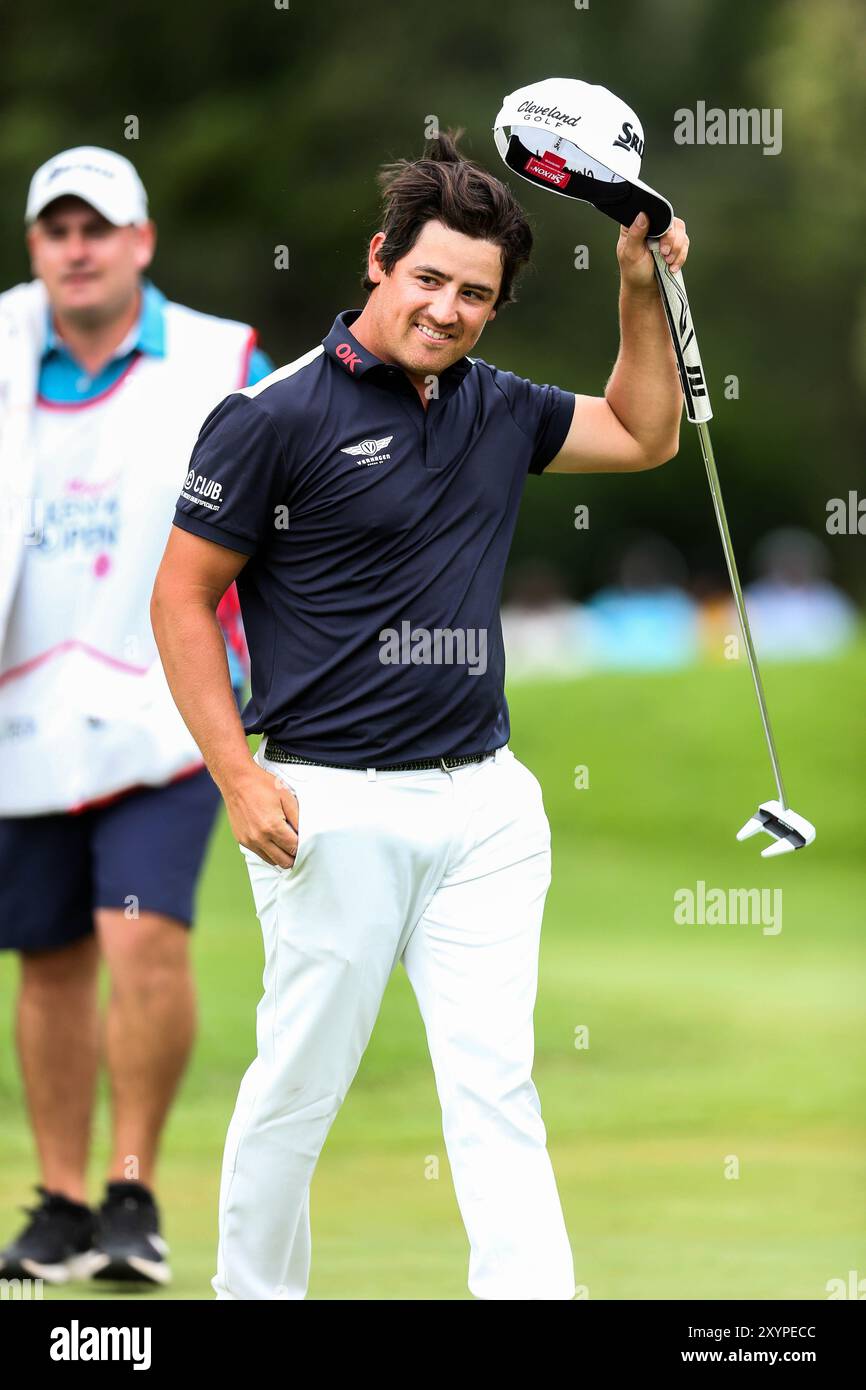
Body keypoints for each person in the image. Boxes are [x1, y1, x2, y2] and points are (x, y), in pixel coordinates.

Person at [151, 130, 688, 1300]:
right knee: (299, 1085)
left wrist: (640, 290)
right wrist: (237, 775)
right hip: (326, 801)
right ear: (377, 262)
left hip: (487, 805)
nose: (446, 309)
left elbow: (644, 432)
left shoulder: (497, 408)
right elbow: (181, 599)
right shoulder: (270, 415)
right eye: (429, 279)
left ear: (497, 309)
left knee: (493, 1085)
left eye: (475, 295)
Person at [0, 146, 273, 1287]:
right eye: (56, 230)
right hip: (21, 717)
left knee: (140, 935)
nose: (76, 248)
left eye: (96, 228)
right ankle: (60, 1201)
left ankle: (130, 1188)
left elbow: (281, 508)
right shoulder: (5, 345)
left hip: (165, 702)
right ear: (36, 249)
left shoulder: (218, 356)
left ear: (141, 242)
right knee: (48, 961)